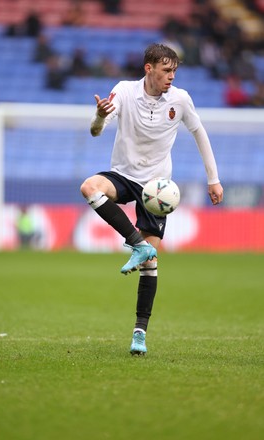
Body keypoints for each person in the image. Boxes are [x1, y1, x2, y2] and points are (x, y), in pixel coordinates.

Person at [80, 44, 223, 356]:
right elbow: (95, 132)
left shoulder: (180, 100)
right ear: (149, 68)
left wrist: (213, 179)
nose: (171, 77)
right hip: (123, 174)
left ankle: (139, 334)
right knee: (90, 187)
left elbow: (200, 133)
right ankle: (137, 241)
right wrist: (98, 116)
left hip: (156, 189)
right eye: (166, 71)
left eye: (174, 71)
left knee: (149, 264)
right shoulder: (124, 91)